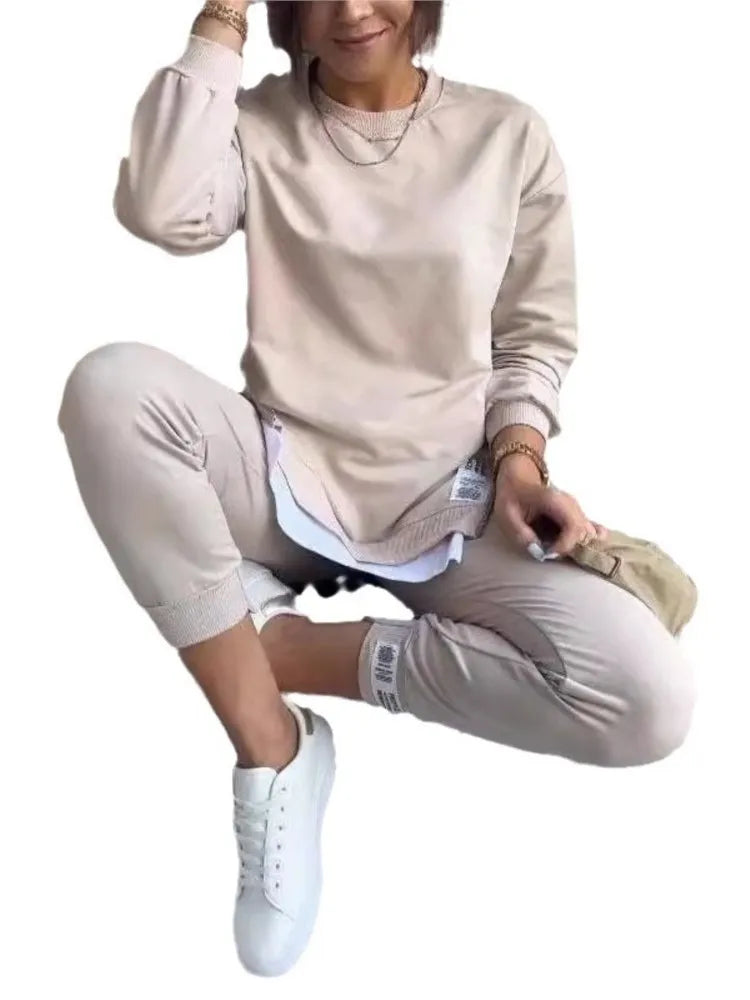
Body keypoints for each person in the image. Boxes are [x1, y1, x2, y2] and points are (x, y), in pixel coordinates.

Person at [57, 0, 696, 979]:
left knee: (647, 701)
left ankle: (269, 648)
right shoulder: (255, 126)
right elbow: (160, 207)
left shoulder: (507, 134)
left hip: (451, 501)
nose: (353, 9)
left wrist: (520, 461)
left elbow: (533, 338)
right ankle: (272, 745)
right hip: (282, 476)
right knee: (108, 389)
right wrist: (221, 16)